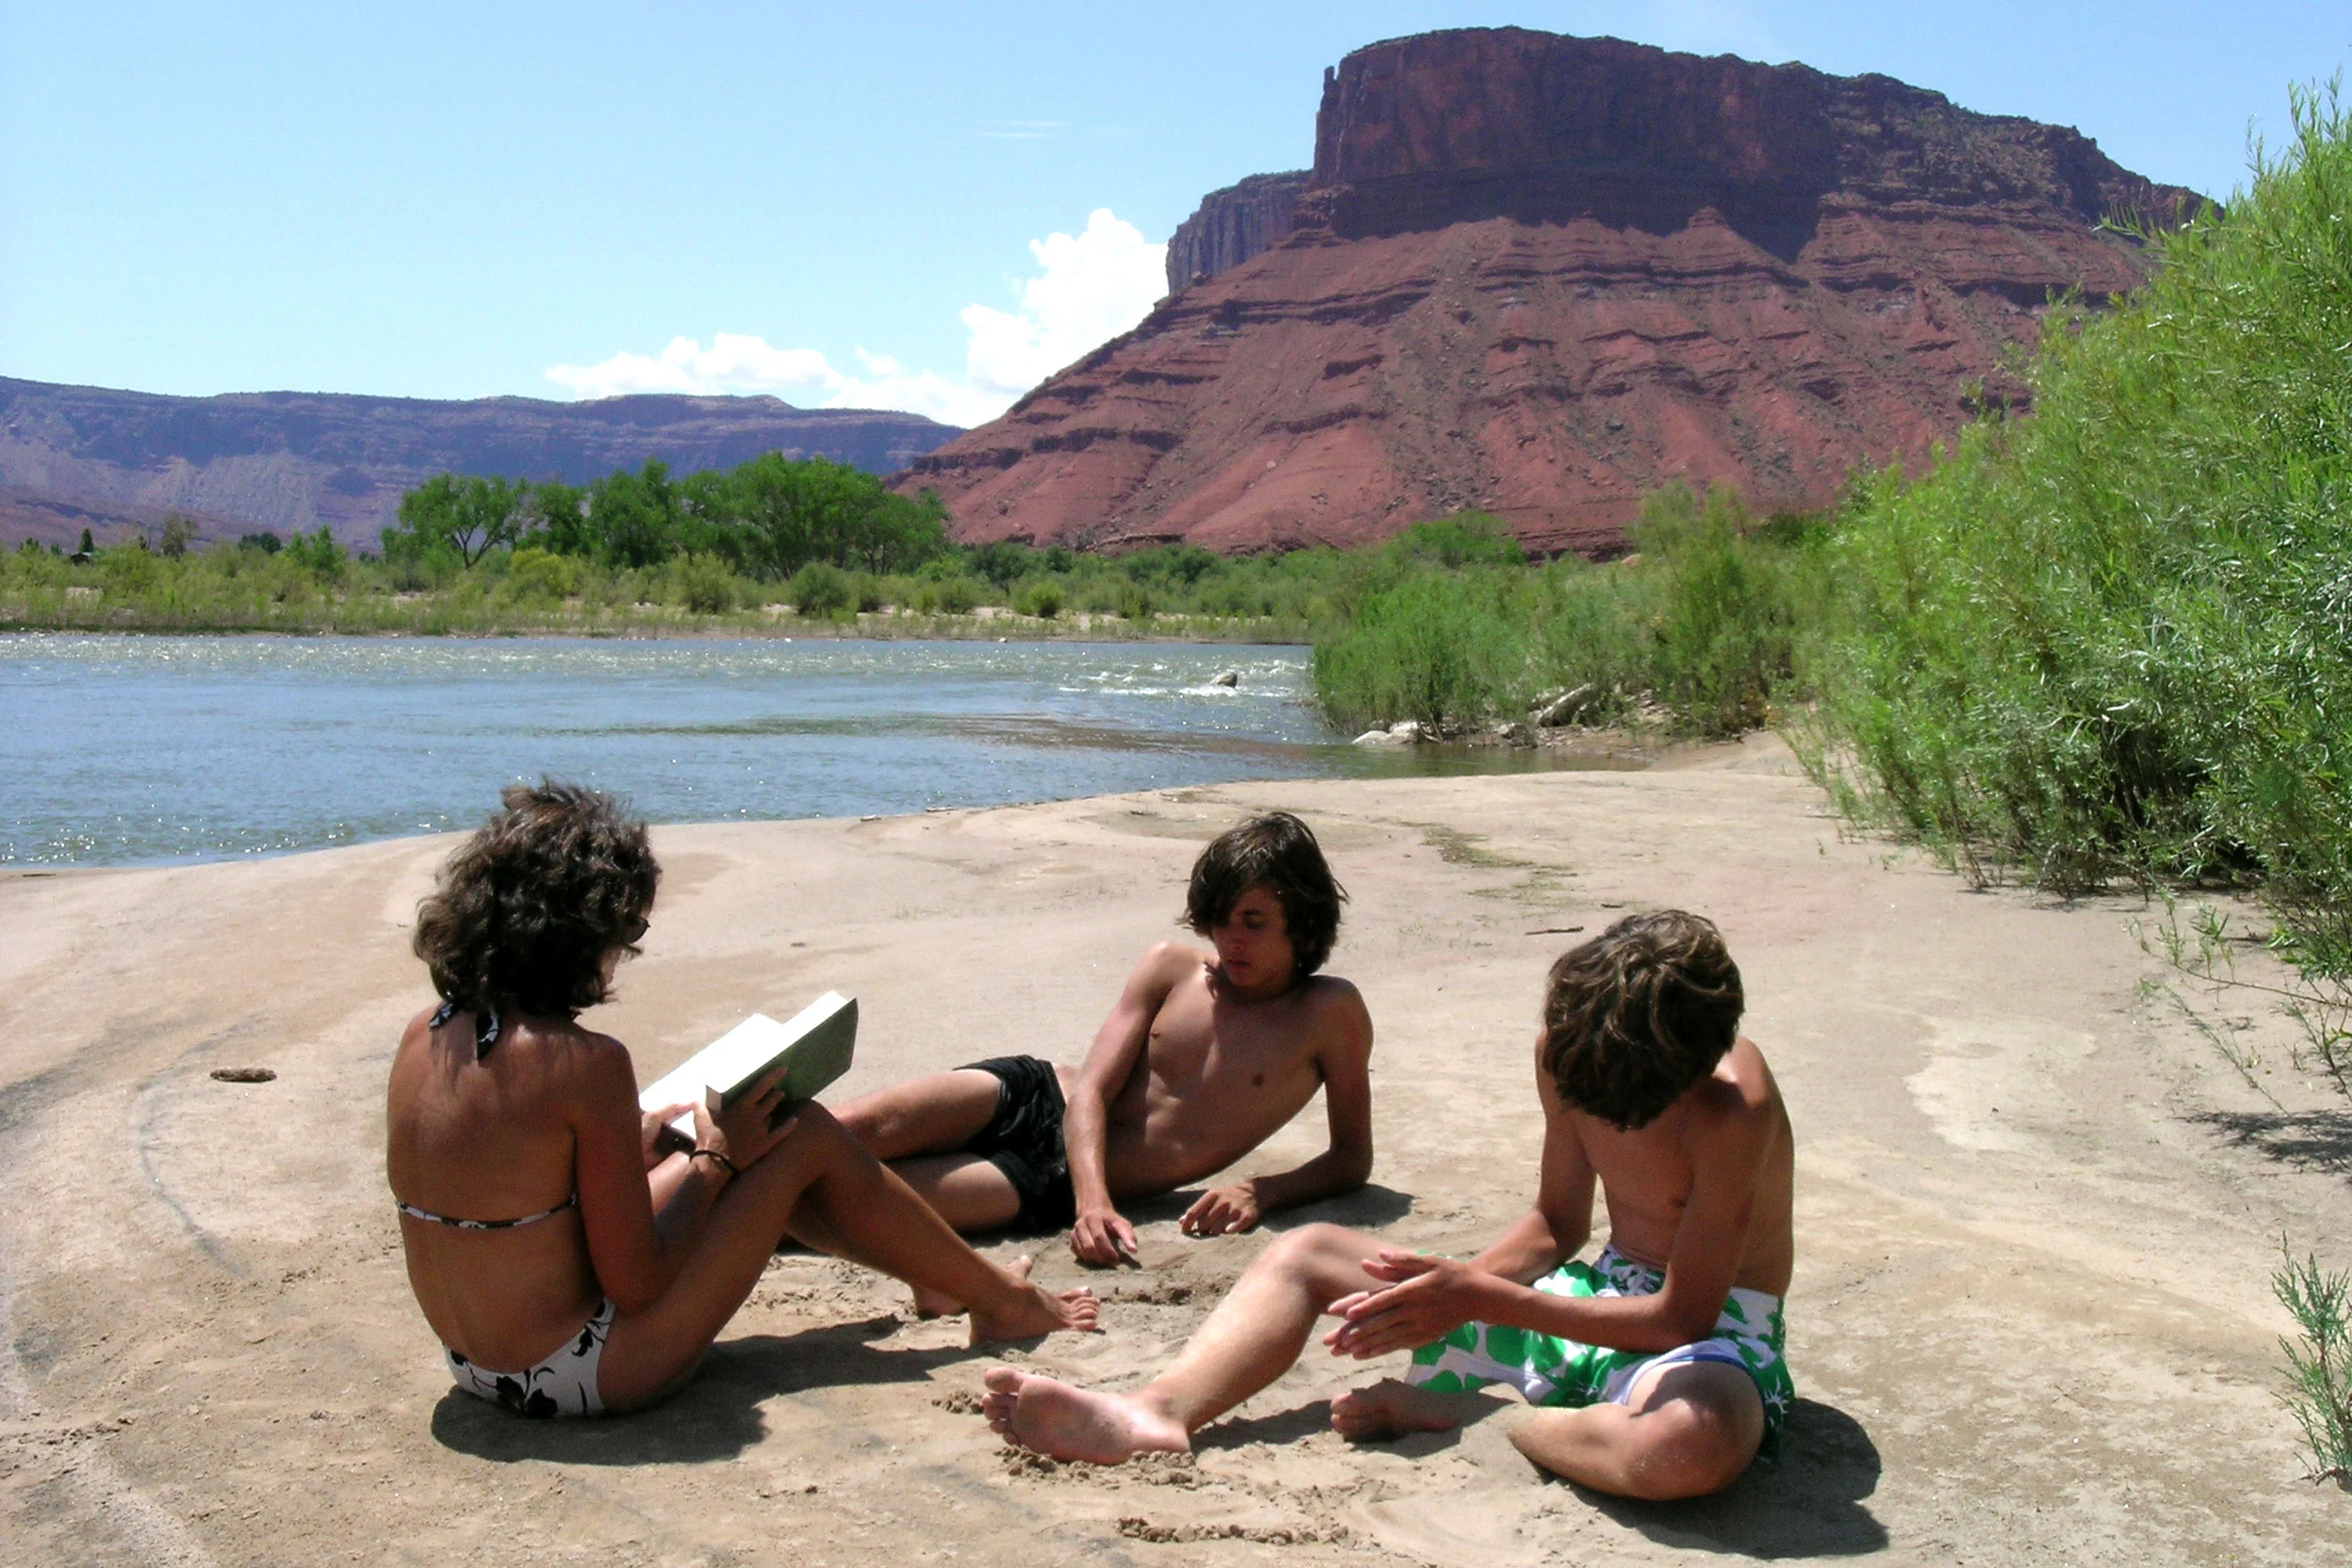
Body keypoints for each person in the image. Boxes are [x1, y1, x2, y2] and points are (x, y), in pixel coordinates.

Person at [982, 910, 1795, 1502]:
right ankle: (1154, 1412)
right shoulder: (1572, 1045)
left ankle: (1473, 1414)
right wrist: (1443, 1291)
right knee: (1308, 1251)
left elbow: (1683, 1316)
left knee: (1694, 1442)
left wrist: (1478, 1298)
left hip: (1711, 1333)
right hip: (1598, 1294)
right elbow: (1558, 1225)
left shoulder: (1735, 1109)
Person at [387, 782, 1096, 1419]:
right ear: (578, 934)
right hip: (579, 1375)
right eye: (627, 932)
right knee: (798, 1133)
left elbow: (518, 1207)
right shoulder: (583, 1064)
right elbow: (637, 1284)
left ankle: (946, 1281)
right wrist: (714, 1162)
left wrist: (642, 1152)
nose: (624, 954)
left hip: (477, 1366)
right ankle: (1001, 1302)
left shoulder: (426, 1034)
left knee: (765, 1133)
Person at [817, 811, 1374, 1298]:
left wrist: (1261, 1192)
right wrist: (1094, 1204)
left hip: (1050, 1176)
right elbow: (1092, 1090)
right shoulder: (1172, 967)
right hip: (1036, 1094)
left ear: (1302, 922)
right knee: (834, 1129)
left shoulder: (1328, 1013)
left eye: (1254, 922)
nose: (1232, 939)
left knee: (844, 1199)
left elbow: (1352, 1158)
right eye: (1222, 919)